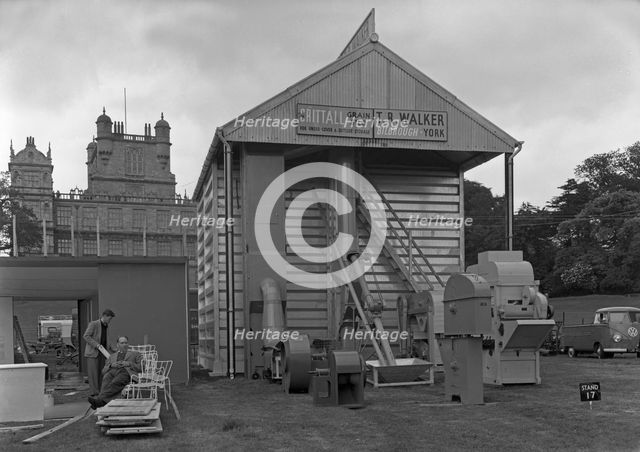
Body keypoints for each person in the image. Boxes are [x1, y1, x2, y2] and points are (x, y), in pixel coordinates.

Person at [88, 336, 142, 409]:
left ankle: (100, 401)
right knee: (106, 377)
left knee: (115, 382)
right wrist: (111, 365)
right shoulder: (112, 357)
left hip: (126, 372)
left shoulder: (135, 354)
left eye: (126, 343)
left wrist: (129, 364)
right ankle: (101, 401)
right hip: (113, 371)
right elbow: (103, 371)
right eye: (122, 343)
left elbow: (141, 367)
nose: (125, 344)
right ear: (117, 345)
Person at [83, 309, 115, 396]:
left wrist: (113, 349)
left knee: (102, 372)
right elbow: (86, 336)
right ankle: (94, 392)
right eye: (109, 318)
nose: (110, 320)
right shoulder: (94, 324)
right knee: (93, 373)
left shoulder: (106, 326)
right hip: (93, 353)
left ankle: (101, 391)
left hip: (103, 352)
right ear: (104, 316)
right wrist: (96, 345)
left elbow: (106, 339)